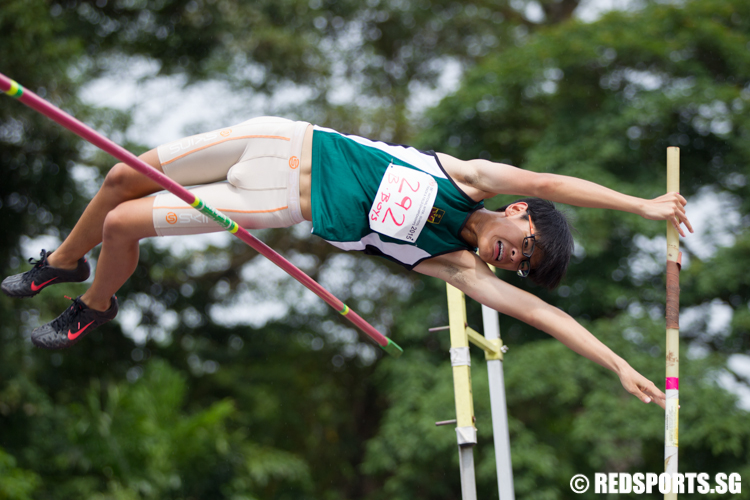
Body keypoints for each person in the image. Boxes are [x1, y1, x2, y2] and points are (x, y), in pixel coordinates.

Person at [2, 116, 692, 408]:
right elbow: (552, 183)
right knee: (121, 178)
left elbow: (543, 314)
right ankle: (65, 263)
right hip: (276, 138)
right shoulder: (473, 177)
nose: (512, 260)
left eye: (517, 265)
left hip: (272, 199)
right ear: (516, 213)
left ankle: (94, 307)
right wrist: (639, 206)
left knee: (124, 224)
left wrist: (620, 365)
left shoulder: (452, 263)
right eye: (525, 247)